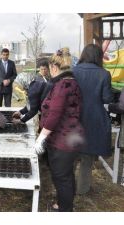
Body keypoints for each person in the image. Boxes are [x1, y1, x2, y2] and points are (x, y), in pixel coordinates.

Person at [34, 48, 84, 212]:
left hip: (62, 140)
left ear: (54, 67)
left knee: (61, 176)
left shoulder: (62, 85)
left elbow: (54, 114)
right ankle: (66, 204)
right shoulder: (72, 81)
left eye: (49, 69)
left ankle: (63, 209)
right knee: (67, 175)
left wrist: (41, 137)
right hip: (72, 137)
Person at [72, 44, 114, 195]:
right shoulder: (104, 74)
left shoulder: (73, 71)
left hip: (74, 118)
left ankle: (67, 187)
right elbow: (107, 98)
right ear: (98, 56)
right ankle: (82, 189)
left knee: (71, 155)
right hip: (94, 119)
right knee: (86, 158)